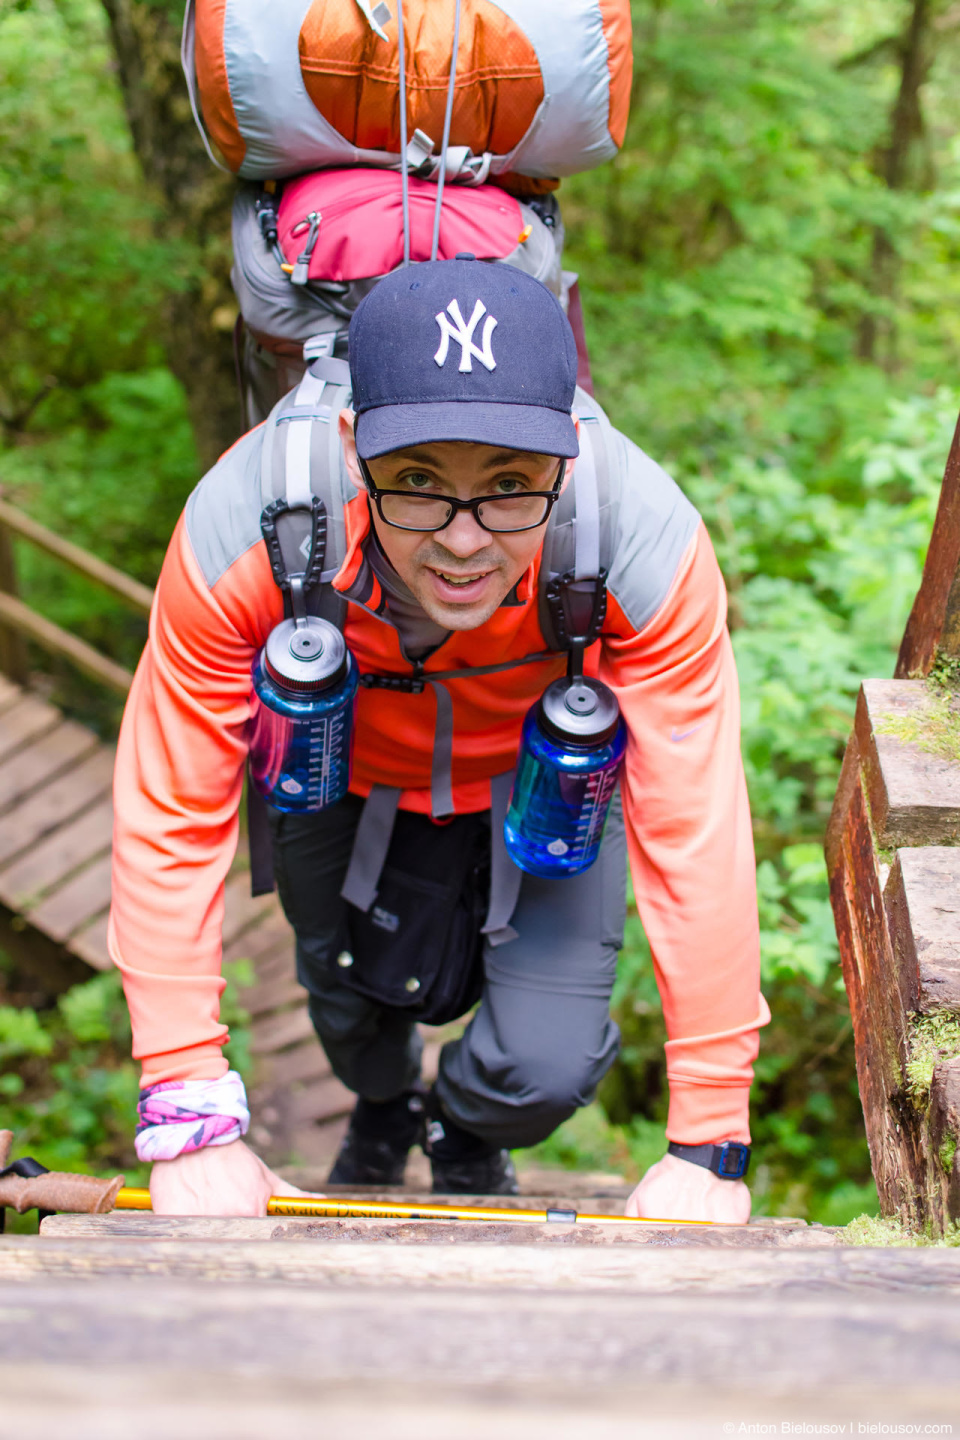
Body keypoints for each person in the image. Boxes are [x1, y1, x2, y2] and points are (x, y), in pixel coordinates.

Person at [109, 255, 768, 1221]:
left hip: (539, 784)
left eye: (510, 486)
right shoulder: (250, 526)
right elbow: (172, 802)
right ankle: (382, 1107)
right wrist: (189, 1113)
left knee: (545, 1066)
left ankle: (460, 1126)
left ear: (565, 466)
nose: (464, 541)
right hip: (337, 775)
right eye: (417, 482)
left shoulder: (636, 540)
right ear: (351, 445)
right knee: (345, 1003)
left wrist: (711, 1140)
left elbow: (697, 822)